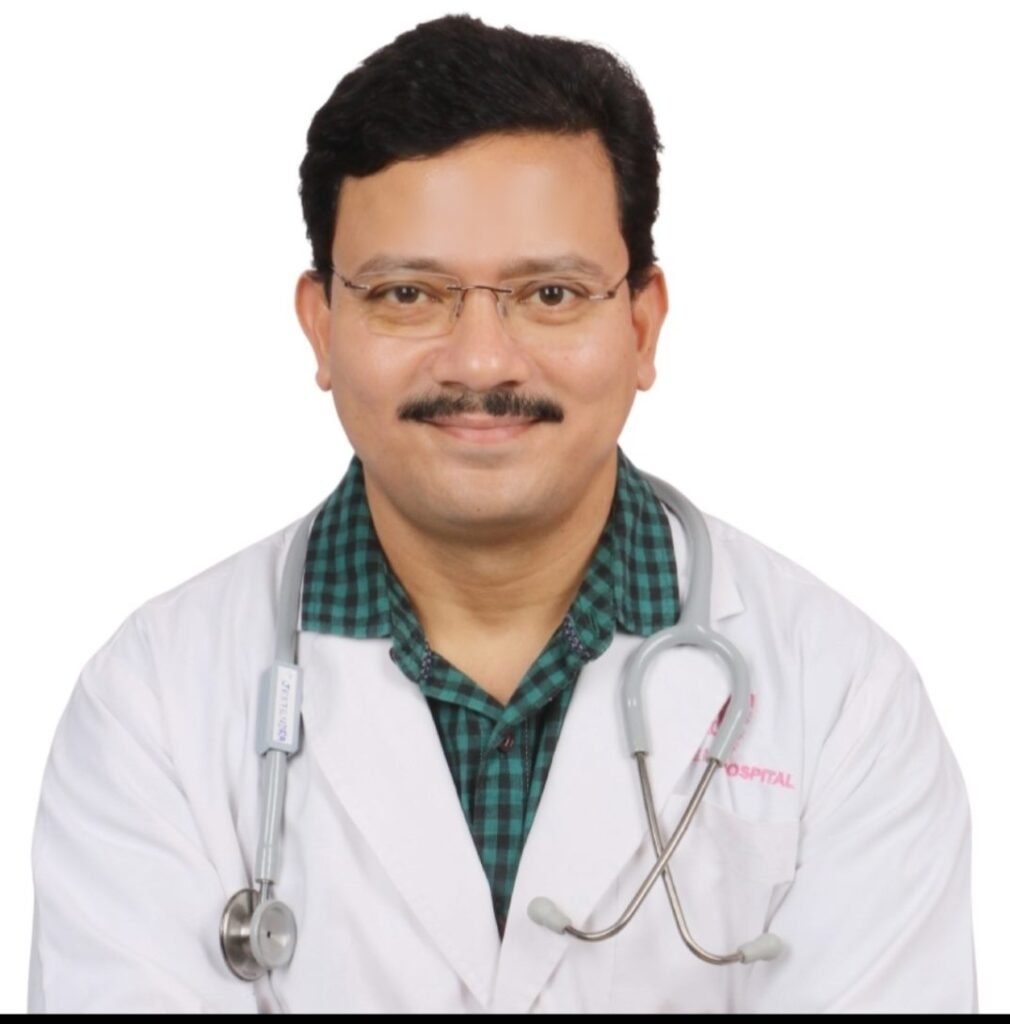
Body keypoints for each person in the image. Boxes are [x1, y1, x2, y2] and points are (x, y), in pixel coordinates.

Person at [28, 14, 976, 1014]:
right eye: (407, 293)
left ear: (642, 324)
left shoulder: (841, 700)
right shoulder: (153, 704)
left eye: (551, 293)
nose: (480, 361)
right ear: (321, 325)